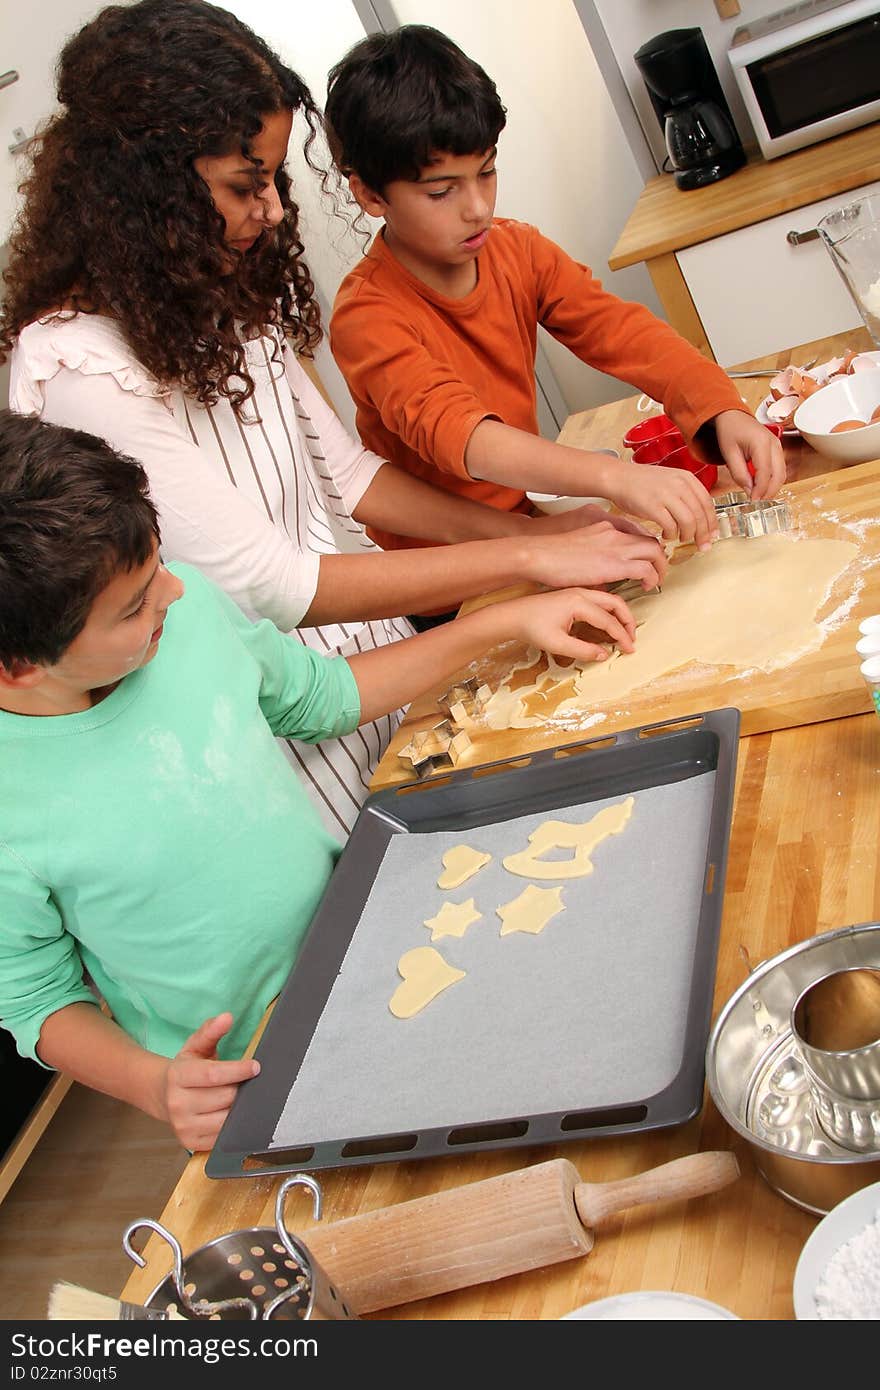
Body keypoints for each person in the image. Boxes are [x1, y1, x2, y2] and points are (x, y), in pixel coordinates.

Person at [1, 0, 667, 839]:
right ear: (146, 190)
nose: (276, 210)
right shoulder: (79, 369)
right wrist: (534, 553)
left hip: (382, 680)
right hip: (285, 748)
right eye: (247, 186)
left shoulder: (205, 298)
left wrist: (545, 534)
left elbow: (352, 481)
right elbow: (273, 586)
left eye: (277, 179)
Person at [0, 411, 636, 1151]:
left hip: (380, 943)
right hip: (265, 1073)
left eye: (159, 567)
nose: (173, 592)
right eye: (135, 605)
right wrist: (154, 1084)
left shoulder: (188, 611)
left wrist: (506, 623)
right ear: (21, 664)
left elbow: (319, 697)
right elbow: (37, 998)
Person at [325, 25, 787, 567]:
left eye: (488, 171)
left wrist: (720, 408)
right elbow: (467, 438)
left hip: (524, 523)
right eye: (441, 191)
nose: (477, 207)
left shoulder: (516, 249)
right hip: (443, 567)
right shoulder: (366, 317)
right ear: (370, 194)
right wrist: (616, 478)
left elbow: (623, 332)